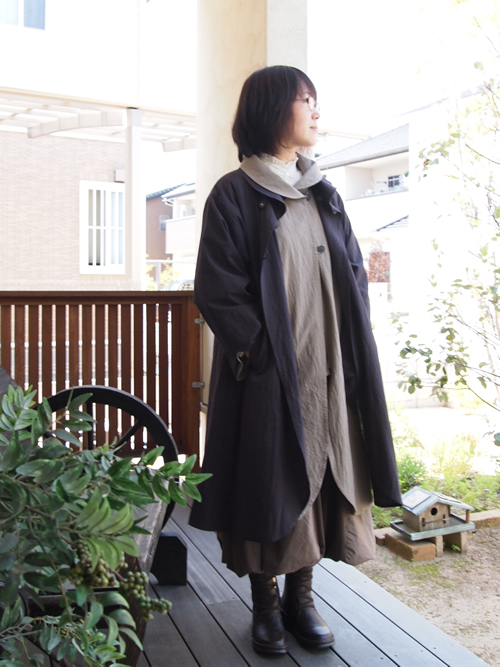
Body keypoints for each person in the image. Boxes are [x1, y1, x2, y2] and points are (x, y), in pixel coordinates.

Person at [189, 65, 402, 655]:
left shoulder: (322, 192)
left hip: (329, 368)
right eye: (305, 99)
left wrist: (351, 341)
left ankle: (301, 600)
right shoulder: (235, 194)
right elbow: (218, 289)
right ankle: (265, 605)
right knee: (267, 482)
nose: (315, 110)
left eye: (315, 100)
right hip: (268, 374)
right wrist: (259, 352)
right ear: (270, 109)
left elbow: (353, 272)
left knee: (323, 479)